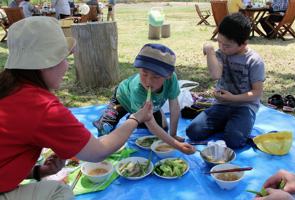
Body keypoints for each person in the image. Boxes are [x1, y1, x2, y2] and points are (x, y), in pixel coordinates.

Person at [0, 16, 153, 199]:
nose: (67, 66)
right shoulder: (41, 107)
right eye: (64, 58)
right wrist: (135, 118)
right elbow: (98, 151)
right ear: (44, 63)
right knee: (60, 191)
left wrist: (38, 172)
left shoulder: (8, 87)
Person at [93, 43, 196, 154]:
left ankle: (137, 114)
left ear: (168, 75)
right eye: (144, 74)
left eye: (156, 77)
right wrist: (177, 146)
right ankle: (104, 120)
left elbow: (174, 106)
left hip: (147, 106)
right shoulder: (138, 89)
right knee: (105, 129)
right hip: (122, 99)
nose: (148, 82)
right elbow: (151, 125)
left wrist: (173, 134)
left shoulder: (172, 79)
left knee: (163, 130)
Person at [186, 13, 265, 149]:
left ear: (244, 43)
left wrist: (233, 98)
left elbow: (257, 93)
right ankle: (228, 123)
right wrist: (210, 50)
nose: (222, 47)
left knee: (234, 141)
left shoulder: (254, 61)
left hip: (244, 107)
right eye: (219, 42)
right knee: (192, 131)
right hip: (222, 105)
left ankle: (234, 125)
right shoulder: (221, 54)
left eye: (227, 45)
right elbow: (216, 74)